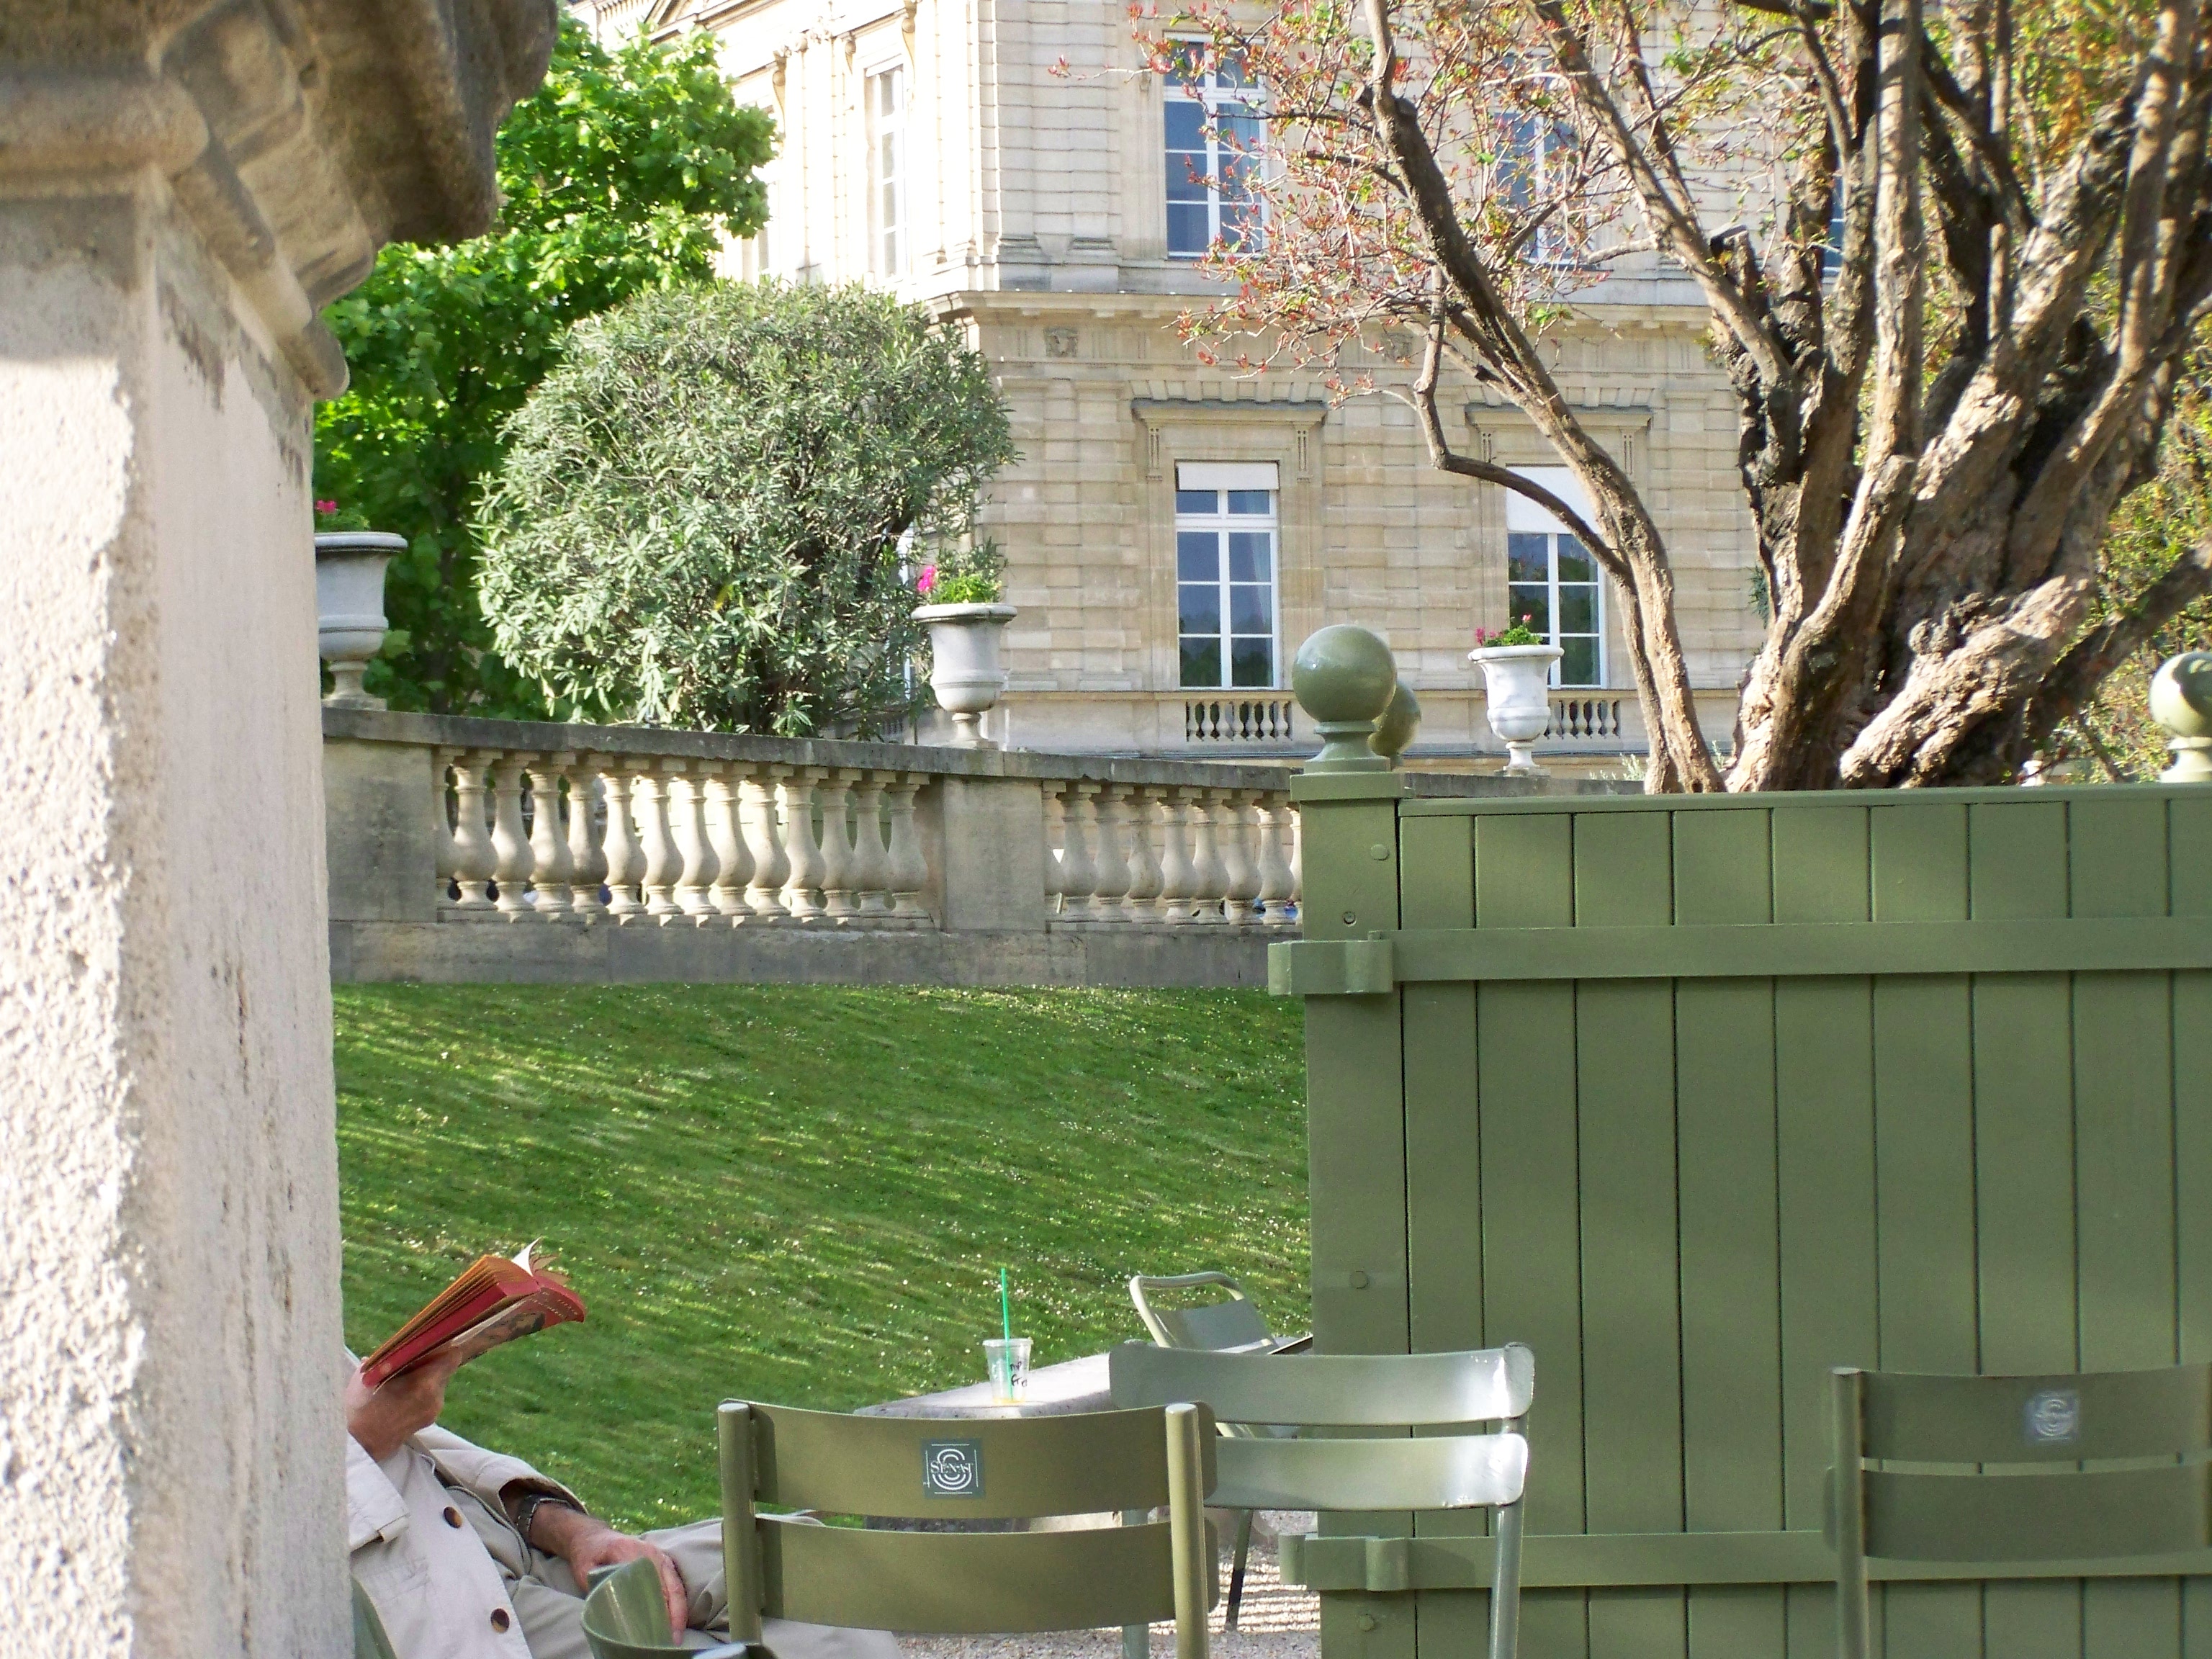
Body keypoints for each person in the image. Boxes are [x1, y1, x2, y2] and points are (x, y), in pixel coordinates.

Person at [346, 1350, 901, 1659]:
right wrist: (360, 1437)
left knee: (814, 1570)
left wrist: (574, 1532)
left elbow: (433, 1451)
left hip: (509, 1546)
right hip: (431, 1600)